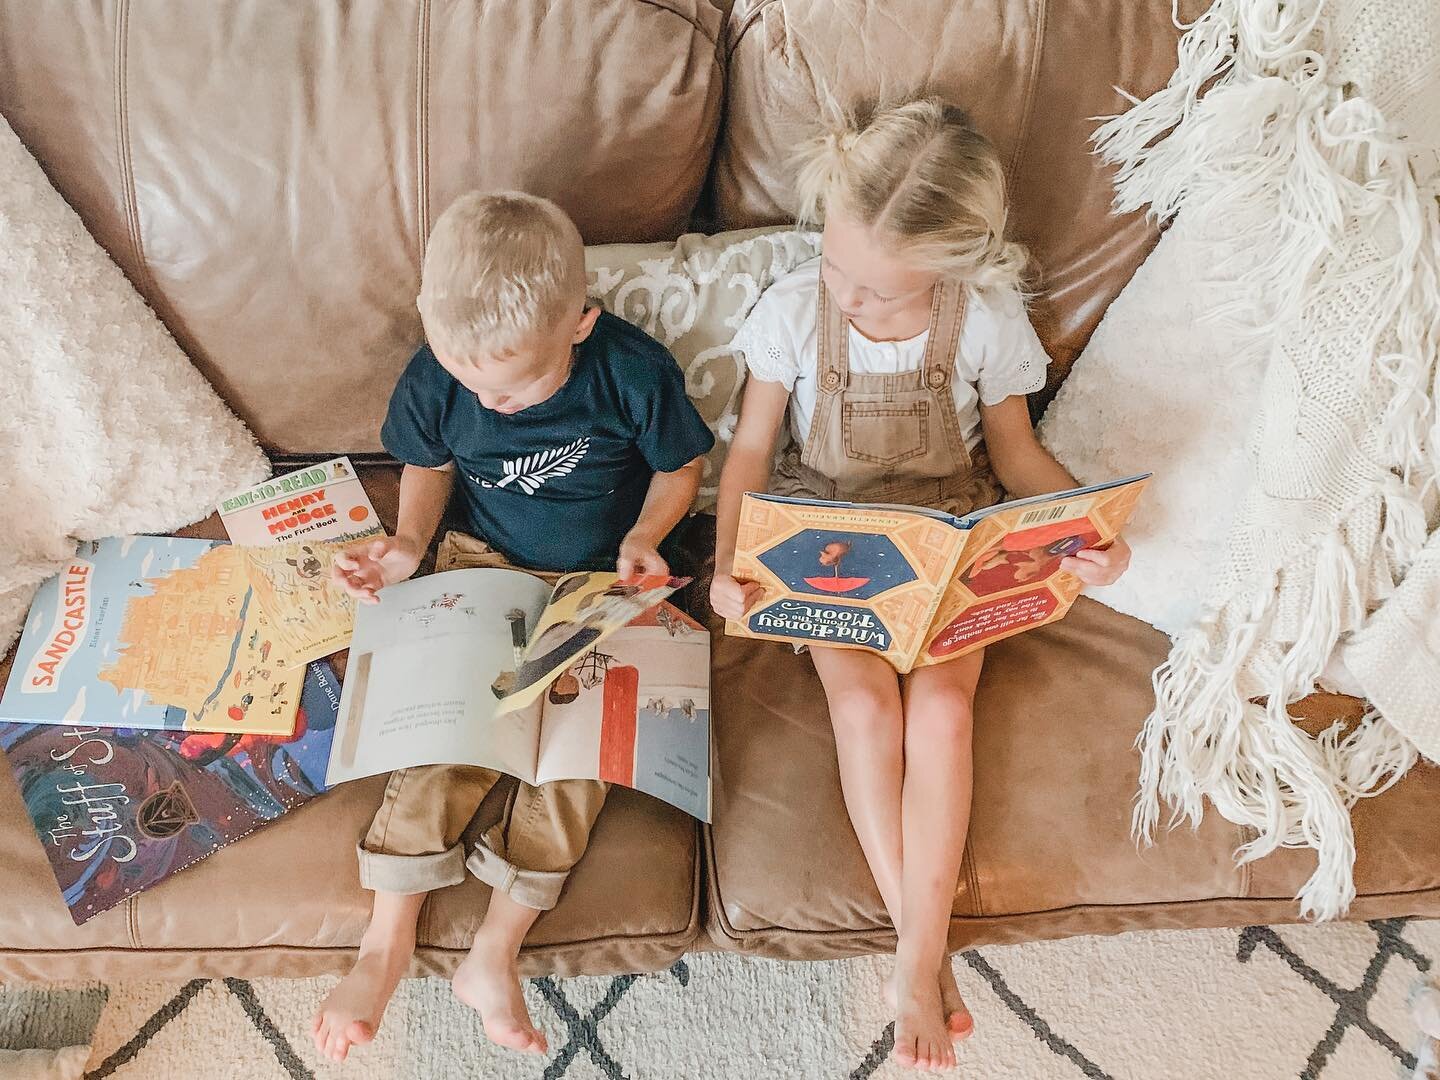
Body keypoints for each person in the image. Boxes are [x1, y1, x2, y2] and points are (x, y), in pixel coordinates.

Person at [710, 99, 1132, 1072]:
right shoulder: (789, 310)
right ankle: (923, 955)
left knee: (942, 714)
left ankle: (917, 952)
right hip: (828, 530)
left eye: (881, 293)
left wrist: (1082, 532)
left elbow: (1019, 456)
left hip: (952, 527)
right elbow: (748, 453)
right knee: (865, 712)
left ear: (952, 270)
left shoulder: (984, 318)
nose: (851, 299)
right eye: (839, 271)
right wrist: (736, 560)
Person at [312, 190, 714, 1063]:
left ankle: (496, 950)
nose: (490, 400)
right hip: (480, 562)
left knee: (579, 759)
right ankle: (385, 943)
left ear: (580, 322)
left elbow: (682, 468)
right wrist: (406, 546)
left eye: (515, 382)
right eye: (471, 380)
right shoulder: (434, 375)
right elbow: (426, 463)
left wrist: (646, 537)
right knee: (448, 738)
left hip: (599, 579)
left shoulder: (631, 370)